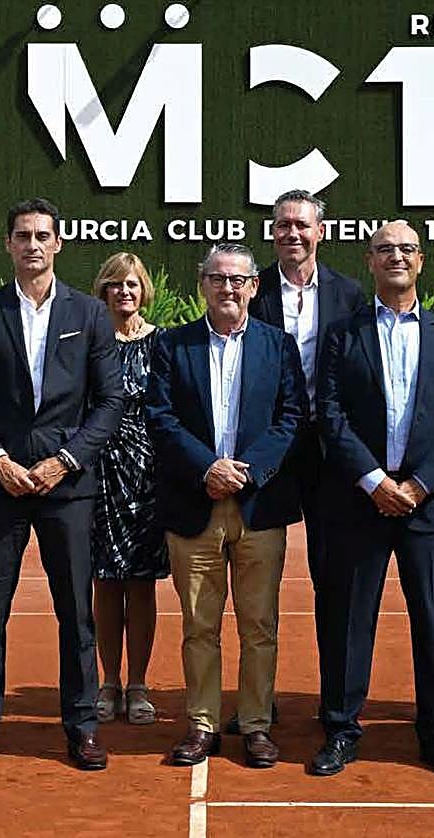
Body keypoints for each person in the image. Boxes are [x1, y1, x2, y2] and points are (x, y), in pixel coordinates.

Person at [0, 197, 124, 772]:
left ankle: (83, 728)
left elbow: (110, 401)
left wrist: (65, 461)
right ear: (8, 244)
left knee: (75, 612)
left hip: (66, 487)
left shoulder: (89, 314)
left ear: (58, 244)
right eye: (22, 235)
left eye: (42, 235)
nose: (32, 245)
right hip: (0, 486)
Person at [310, 221, 434, 778]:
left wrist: (419, 485)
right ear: (370, 260)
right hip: (360, 501)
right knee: (348, 620)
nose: (396, 257)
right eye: (385, 249)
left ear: (421, 261)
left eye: (406, 249)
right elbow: (330, 414)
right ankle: (340, 729)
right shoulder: (342, 334)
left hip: (431, 504)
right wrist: (374, 481)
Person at [146, 243, 306, 769]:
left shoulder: (278, 346)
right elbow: (160, 417)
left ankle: (256, 725)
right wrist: (206, 469)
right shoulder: (173, 345)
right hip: (194, 505)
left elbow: (291, 417)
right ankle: (202, 724)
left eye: (238, 279)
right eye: (218, 278)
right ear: (203, 285)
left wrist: (248, 471)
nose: (228, 288)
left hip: (259, 506)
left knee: (259, 626)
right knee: (200, 625)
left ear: (254, 287)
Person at [247, 190, 363, 729]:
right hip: (268, 449)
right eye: (282, 225)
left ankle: (335, 703)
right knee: (256, 583)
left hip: (329, 453)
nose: (292, 233)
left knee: (333, 580)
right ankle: (256, 699)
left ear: (321, 231)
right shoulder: (253, 289)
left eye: (301, 225)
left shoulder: (350, 293)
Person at [89, 252, 168, 726]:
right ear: (104, 290)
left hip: (147, 476)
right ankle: (108, 681)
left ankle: (137, 684)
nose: (124, 291)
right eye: (116, 283)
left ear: (144, 291)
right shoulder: (90, 340)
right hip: (98, 471)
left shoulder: (162, 343)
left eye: (133, 284)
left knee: (141, 583)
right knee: (104, 580)